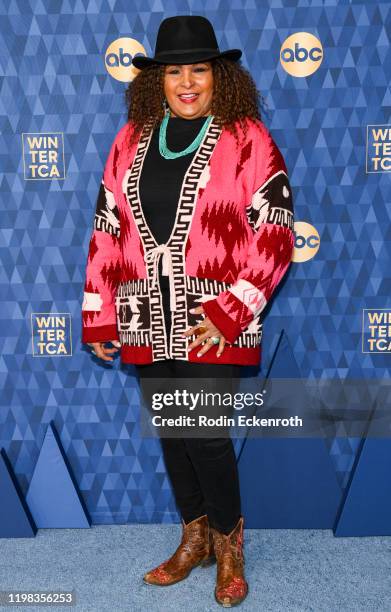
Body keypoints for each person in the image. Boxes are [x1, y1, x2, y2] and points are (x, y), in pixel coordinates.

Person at [81, 14, 295, 608]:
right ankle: (194, 537)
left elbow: (274, 236)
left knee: (204, 436)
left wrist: (230, 313)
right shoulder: (129, 141)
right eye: (174, 70)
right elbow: (107, 231)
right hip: (144, 313)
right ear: (158, 79)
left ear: (219, 75)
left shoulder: (248, 140)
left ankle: (230, 546)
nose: (186, 81)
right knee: (174, 435)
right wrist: (100, 314)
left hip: (213, 323)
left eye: (199, 68)